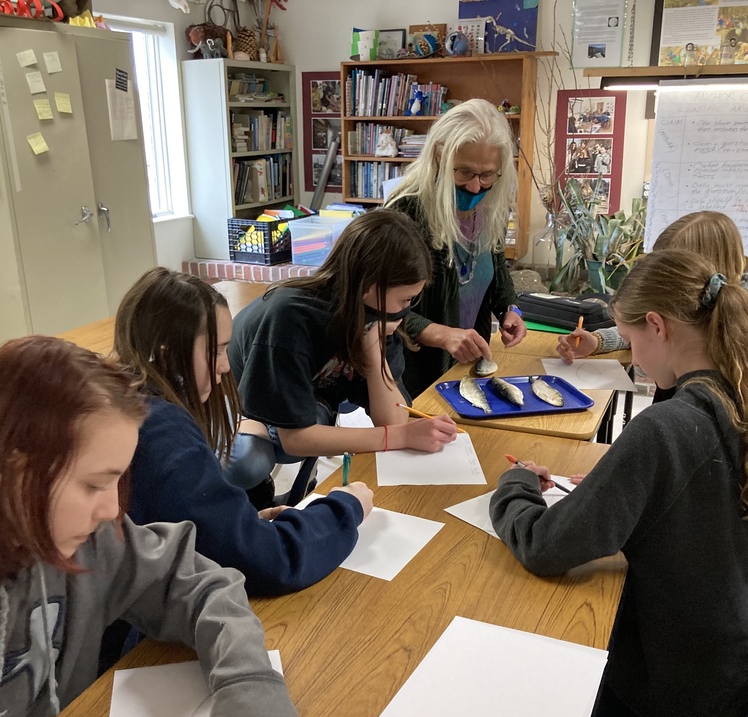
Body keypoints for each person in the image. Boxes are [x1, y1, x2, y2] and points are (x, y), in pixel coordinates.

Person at [0, 336, 318, 717]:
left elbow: (199, 582)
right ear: (10, 474)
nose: (111, 508)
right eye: (95, 484)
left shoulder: (66, 531)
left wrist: (247, 684)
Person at [490, 249, 748, 717]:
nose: (631, 357)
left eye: (629, 341)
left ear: (658, 325)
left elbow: (545, 547)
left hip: (672, 697)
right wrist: (622, 490)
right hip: (738, 674)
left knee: (516, 639)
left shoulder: (670, 427)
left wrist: (516, 485)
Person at [112, 267, 373, 595]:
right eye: (218, 350)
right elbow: (273, 563)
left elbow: (194, 540)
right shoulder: (166, 437)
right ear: (168, 356)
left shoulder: (129, 402)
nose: (225, 365)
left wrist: (238, 526)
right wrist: (344, 508)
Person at [557, 210, 748, 445]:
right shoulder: (733, 298)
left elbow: (663, 340)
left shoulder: (745, 323)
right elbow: (656, 326)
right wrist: (601, 340)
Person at [228, 209, 458, 493]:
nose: (407, 309)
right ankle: (250, 496)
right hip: (232, 402)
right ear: (368, 287)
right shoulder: (291, 315)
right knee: (251, 459)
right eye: (406, 298)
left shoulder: (377, 316)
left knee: (312, 422)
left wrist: (373, 346)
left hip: (303, 402)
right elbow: (295, 439)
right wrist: (397, 438)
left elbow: (393, 418)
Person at [386, 98, 527, 397]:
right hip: (413, 373)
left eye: (487, 174)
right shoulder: (405, 212)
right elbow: (373, 302)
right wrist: (438, 333)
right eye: (464, 172)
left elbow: (496, 268)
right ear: (439, 155)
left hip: (464, 367)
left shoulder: (491, 206)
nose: (476, 187)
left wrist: (509, 309)